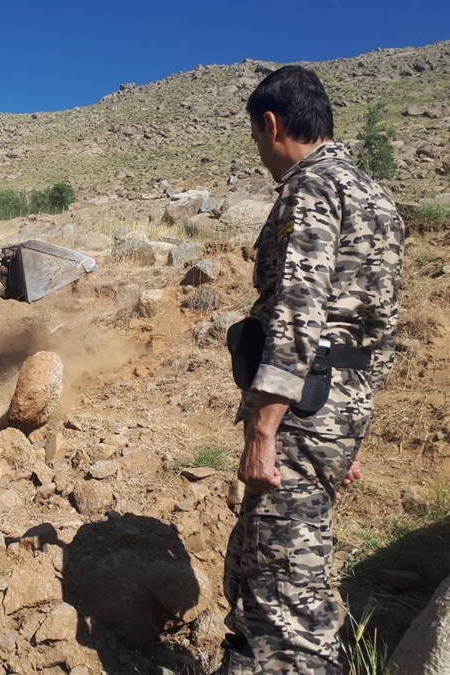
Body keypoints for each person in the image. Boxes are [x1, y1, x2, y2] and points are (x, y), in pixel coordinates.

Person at [218, 65, 405, 674]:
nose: (259, 150)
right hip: (341, 404)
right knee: (267, 557)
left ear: (272, 124)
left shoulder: (311, 187)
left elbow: (300, 311)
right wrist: (350, 432)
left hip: (301, 407)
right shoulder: (376, 197)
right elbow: (381, 331)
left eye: (256, 135)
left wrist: (264, 429)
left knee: (283, 590)